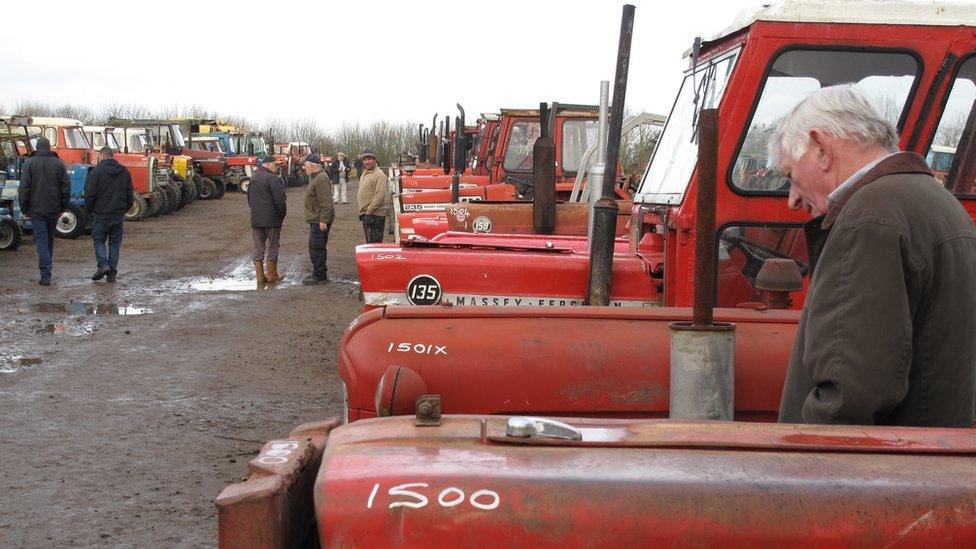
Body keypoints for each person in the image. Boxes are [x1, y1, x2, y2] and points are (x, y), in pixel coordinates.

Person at [771, 85, 976, 427]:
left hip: (867, 472)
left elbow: (850, 395)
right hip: (929, 463)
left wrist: (799, 463)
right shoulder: (939, 204)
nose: (792, 199)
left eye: (790, 175)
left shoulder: (868, 218)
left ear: (820, 148)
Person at [18, 136, 70, 286]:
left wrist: (24, 208)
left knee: (41, 240)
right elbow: (66, 187)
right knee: (49, 239)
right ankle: (47, 271)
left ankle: (45, 274)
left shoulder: (29, 163)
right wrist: (62, 207)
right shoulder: (59, 163)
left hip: (36, 209)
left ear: (37, 148)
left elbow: (24, 188)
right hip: (54, 208)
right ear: (49, 147)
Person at [84, 147, 134, 282]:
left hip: (101, 213)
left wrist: (89, 210)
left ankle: (103, 265)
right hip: (118, 214)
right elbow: (130, 195)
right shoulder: (124, 172)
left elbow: (90, 194)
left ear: (102, 156)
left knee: (98, 240)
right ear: (112, 156)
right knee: (115, 244)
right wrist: (124, 209)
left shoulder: (96, 172)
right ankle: (112, 272)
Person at [248, 155, 287, 283]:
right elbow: (280, 200)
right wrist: (281, 215)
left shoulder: (253, 178)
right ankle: (272, 275)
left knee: (258, 247)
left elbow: (249, 199)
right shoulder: (273, 179)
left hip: (257, 219)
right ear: (268, 164)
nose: (277, 168)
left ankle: (260, 276)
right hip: (272, 219)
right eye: (275, 165)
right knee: (273, 246)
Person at [302, 154, 335, 285]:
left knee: (316, 247)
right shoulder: (317, 177)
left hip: (319, 219)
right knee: (315, 246)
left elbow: (326, 202)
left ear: (311, 165)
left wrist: (323, 220)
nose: (305, 168)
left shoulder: (320, 179)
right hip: (317, 218)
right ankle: (319, 272)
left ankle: (320, 275)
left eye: (306, 165)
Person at [356, 148, 388, 243]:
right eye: (365, 160)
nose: (367, 162)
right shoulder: (365, 173)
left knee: (375, 244)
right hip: (368, 214)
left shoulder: (379, 175)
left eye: (369, 159)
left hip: (375, 215)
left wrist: (369, 211)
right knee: (369, 243)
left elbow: (380, 195)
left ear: (374, 160)